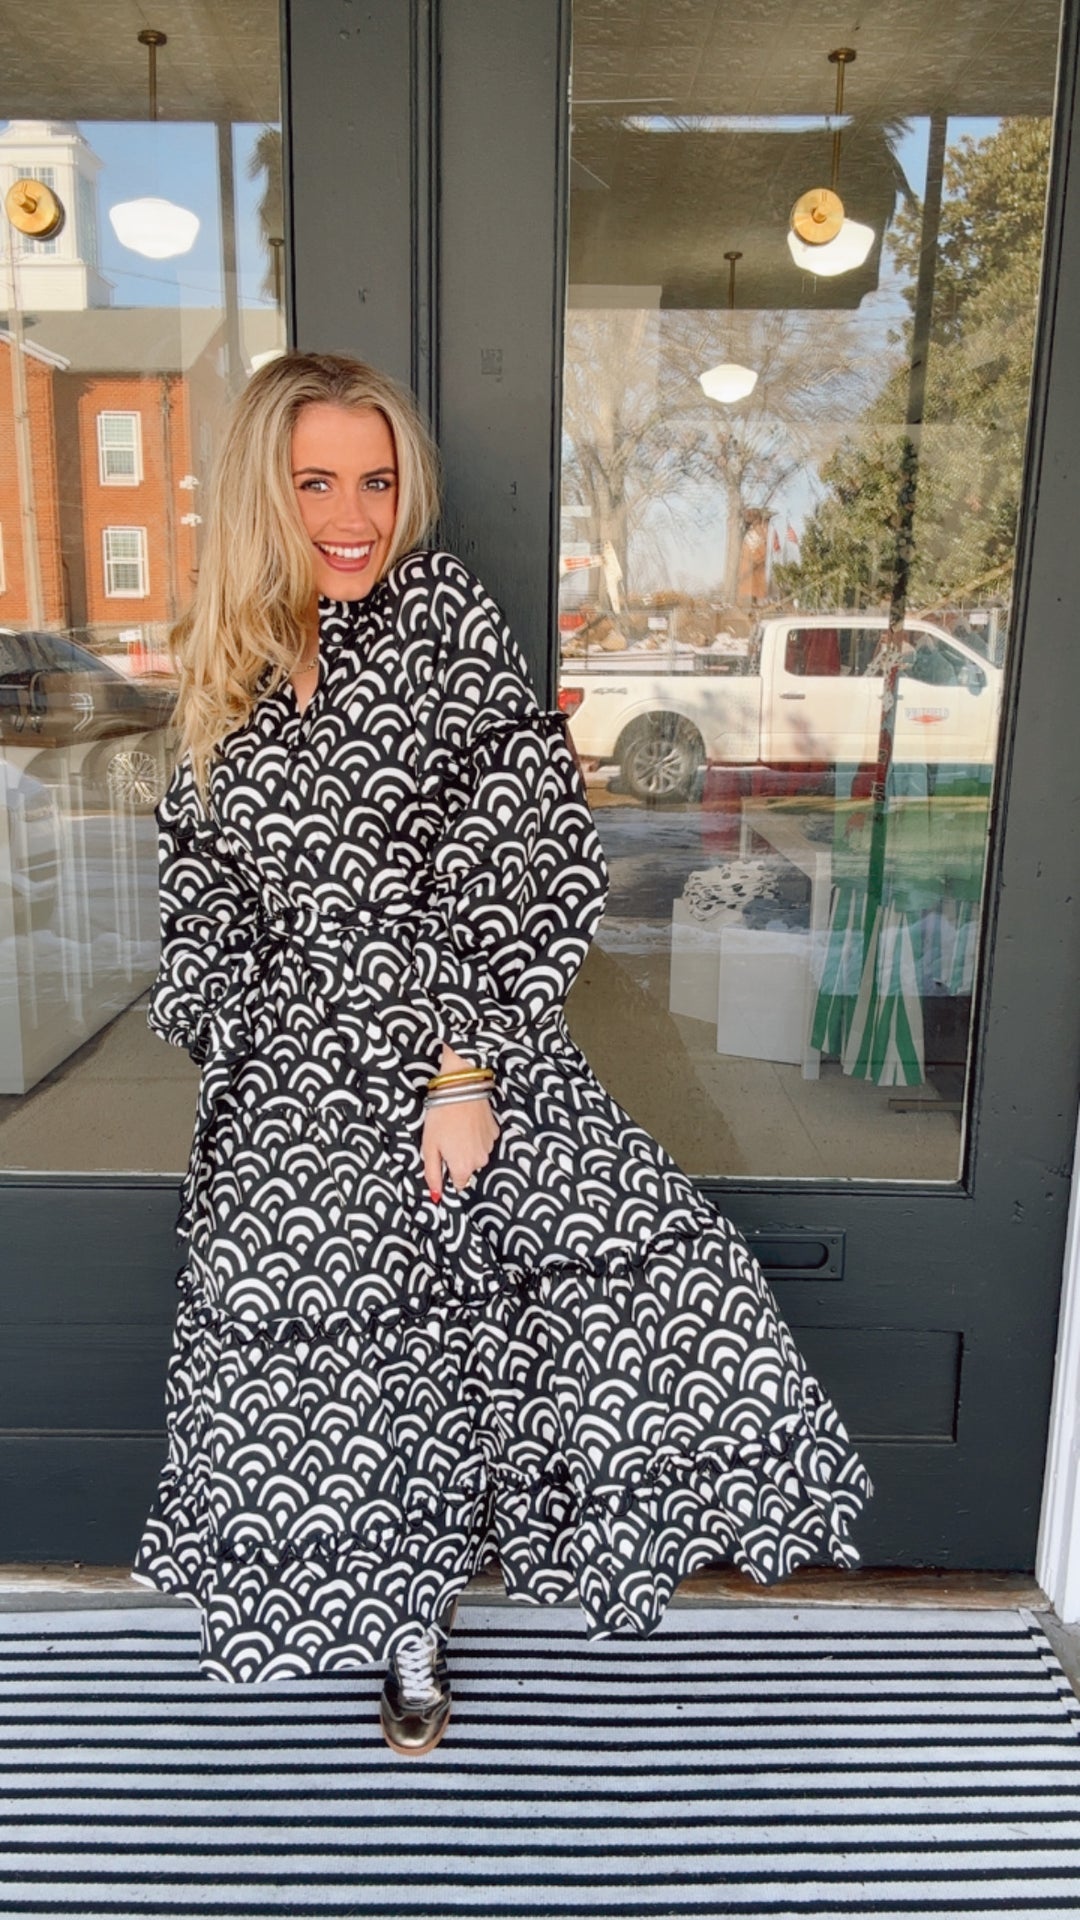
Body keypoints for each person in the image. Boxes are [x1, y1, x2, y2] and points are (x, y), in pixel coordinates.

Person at [133, 350, 872, 1758]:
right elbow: (203, 881)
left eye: (377, 481)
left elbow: (527, 849)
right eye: (315, 482)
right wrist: (233, 1039)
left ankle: (486, 1588)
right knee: (349, 1380)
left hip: (459, 1057)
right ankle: (398, 1619)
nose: (353, 515)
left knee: (610, 1314)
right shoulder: (222, 660)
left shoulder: (444, 621)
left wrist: (462, 1068)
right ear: (259, 493)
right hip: (292, 1081)